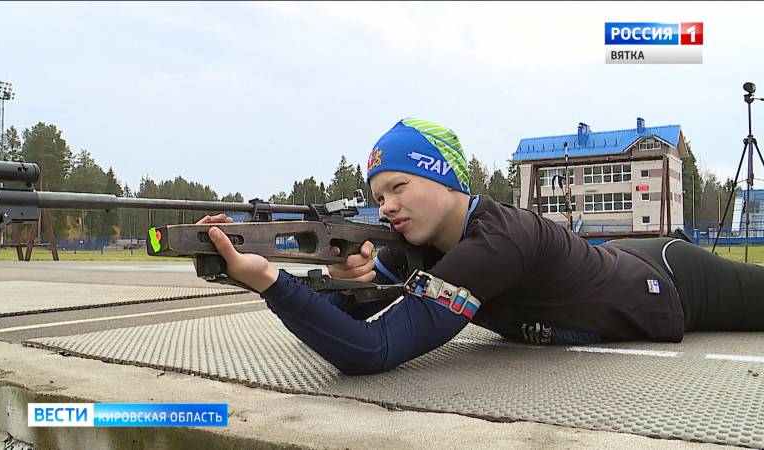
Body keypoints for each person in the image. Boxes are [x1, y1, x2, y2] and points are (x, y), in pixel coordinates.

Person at [198, 118, 764, 375]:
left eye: (399, 187)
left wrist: (269, 283)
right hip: (622, 261)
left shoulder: (496, 240)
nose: (386, 207)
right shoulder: (411, 246)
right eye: (378, 195)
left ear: (446, 180)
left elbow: (371, 352)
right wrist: (345, 282)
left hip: (673, 278)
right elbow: (341, 324)